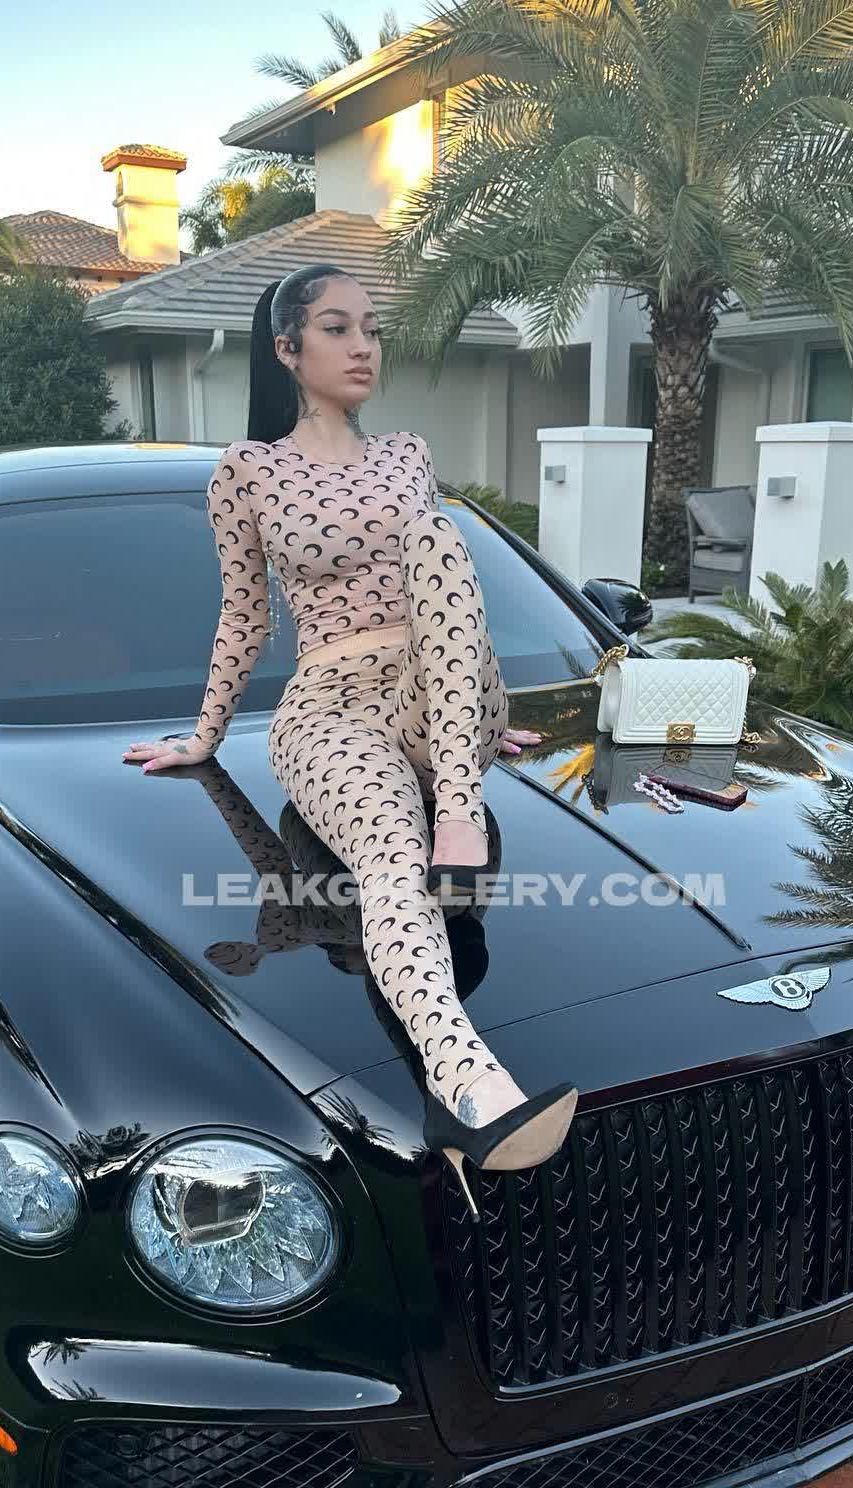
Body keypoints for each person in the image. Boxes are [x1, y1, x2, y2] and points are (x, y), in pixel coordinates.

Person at [122, 262, 578, 1180]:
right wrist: (204, 738)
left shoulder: (409, 453)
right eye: (338, 328)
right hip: (331, 707)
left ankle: (457, 803)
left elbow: (448, 605)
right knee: (389, 857)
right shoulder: (249, 471)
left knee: (437, 533)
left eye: (372, 328)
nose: (364, 346)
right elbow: (244, 615)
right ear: (288, 350)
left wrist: (473, 717)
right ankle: (467, 1083)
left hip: (438, 694)